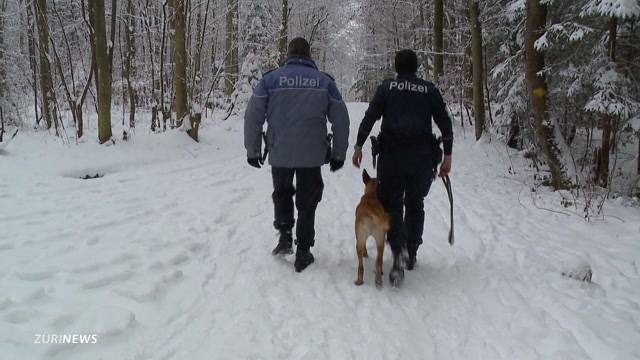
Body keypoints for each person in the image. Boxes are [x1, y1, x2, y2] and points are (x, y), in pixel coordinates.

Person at [244, 38, 350, 272]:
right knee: (308, 201)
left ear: (288, 54)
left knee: (281, 192)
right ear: (309, 55)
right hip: (312, 154)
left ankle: (284, 237)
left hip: (280, 150)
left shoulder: (270, 80)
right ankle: (303, 250)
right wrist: (339, 154)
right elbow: (340, 118)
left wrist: (252, 150)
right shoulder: (324, 82)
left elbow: (253, 115)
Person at [352, 49, 453, 286]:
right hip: (421, 158)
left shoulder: (387, 88)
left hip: (392, 156)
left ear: (397, 68)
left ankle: (399, 252)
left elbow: (370, 117)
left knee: (393, 205)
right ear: (416, 67)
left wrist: (358, 146)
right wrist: (447, 155)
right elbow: (445, 124)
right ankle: (411, 251)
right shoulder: (429, 90)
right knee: (416, 203)